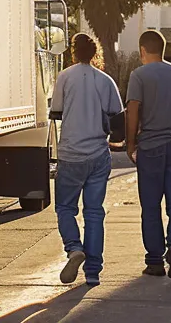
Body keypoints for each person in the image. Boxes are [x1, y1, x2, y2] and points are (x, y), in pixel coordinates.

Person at [123, 30, 171, 280]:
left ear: (143, 50)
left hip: (152, 147)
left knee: (151, 204)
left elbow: (133, 109)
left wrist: (131, 144)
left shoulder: (139, 75)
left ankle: (155, 260)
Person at [49, 34, 122, 286]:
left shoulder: (64, 77)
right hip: (98, 154)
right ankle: (93, 272)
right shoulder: (105, 80)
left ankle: (73, 248)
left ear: (73, 52)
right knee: (94, 213)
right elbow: (117, 118)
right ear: (95, 53)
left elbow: (56, 113)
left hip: (70, 154)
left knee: (65, 209)